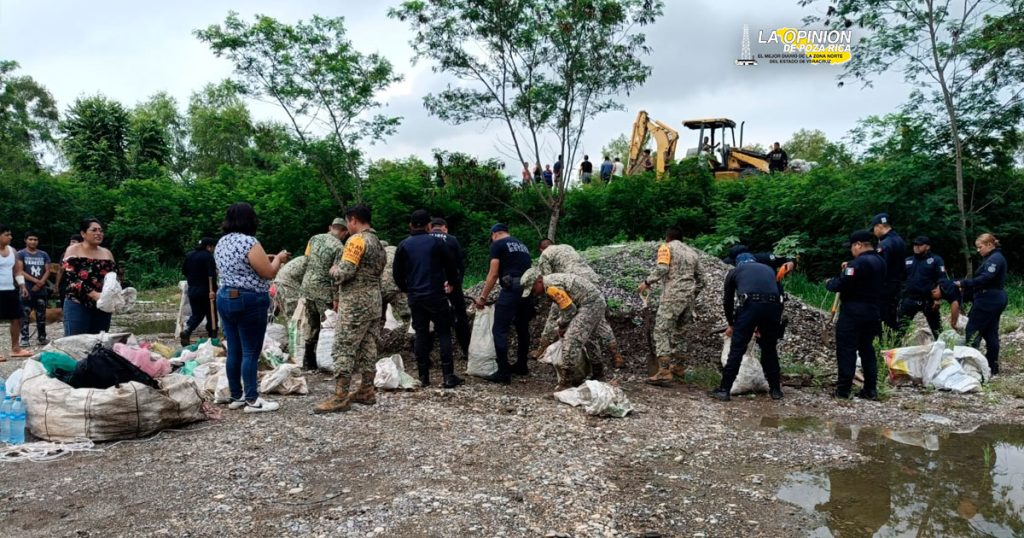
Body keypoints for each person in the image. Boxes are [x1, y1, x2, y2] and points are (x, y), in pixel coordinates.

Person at [214, 203, 289, 412]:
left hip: (225, 296)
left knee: (234, 350)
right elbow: (269, 273)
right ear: (250, 220)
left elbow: (240, 268)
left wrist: (267, 260)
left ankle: (236, 396)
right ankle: (252, 400)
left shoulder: (221, 242)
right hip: (249, 299)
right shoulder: (249, 242)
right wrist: (279, 259)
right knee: (250, 351)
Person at [315, 204, 386, 414]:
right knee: (368, 345)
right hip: (374, 301)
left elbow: (344, 272)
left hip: (355, 303)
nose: (348, 226)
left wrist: (333, 270)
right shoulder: (377, 242)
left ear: (353, 219)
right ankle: (366, 390)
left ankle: (340, 396)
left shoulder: (356, 240)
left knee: (343, 346)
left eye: (348, 222)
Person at [394, 210, 462, 388]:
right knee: (444, 332)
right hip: (436, 295)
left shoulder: (403, 245)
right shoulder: (437, 243)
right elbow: (452, 267)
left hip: (416, 297)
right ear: (429, 226)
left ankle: (423, 376)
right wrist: (452, 283)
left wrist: (407, 289)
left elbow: (397, 274)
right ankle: (448, 376)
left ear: (411, 225)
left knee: (421, 333)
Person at [534, 239, 624, 369]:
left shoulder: (545, 255)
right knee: (599, 320)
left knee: (554, 316)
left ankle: (541, 349)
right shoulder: (566, 246)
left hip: (573, 282)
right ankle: (616, 355)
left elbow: (546, 280)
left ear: (541, 249)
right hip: (591, 279)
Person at [709, 253, 785, 401]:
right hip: (773, 307)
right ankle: (776, 390)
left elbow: (728, 301)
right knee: (769, 348)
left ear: (737, 263)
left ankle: (724, 390)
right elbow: (781, 295)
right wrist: (773, 318)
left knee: (737, 349)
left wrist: (731, 323)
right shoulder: (769, 269)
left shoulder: (735, 271)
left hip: (750, 306)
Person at [637, 227, 705, 385]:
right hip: (688, 299)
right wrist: (692, 294)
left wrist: (647, 282)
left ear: (667, 237)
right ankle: (679, 367)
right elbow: (703, 280)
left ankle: (664, 371)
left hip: (671, 298)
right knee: (680, 333)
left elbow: (662, 268)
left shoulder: (666, 247)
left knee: (661, 331)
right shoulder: (692, 253)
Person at [521, 268, 607, 390]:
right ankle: (598, 374)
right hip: (594, 302)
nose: (534, 294)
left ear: (539, 281)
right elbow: (565, 307)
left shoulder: (551, 288)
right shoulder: (552, 282)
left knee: (571, 340)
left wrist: (562, 325)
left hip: (590, 304)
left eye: (533, 289)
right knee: (589, 338)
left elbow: (570, 310)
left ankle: (566, 382)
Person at [826, 230, 886, 400]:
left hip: (853, 312)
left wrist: (830, 282)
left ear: (859, 245)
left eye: (852, 246)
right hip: (873, 310)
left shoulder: (857, 263)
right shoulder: (881, 261)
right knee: (867, 350)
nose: (851, 250)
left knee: (847, 350)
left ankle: (843, 390)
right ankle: (870, 389)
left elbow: (841, 284)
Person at [474, 223, 534, 384]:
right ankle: (522, 365)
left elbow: (493, 274)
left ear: (494, 234)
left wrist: (482, 297)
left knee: (499, 329)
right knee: (522, 327)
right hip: (527, 289)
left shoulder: (497, 244)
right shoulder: (522, 245)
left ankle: (503, 372)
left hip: (511, 287)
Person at [955, 233, 1008, 375]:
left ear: (989, 245)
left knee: (972, 330)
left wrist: (964, 283)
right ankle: (992, 365)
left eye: (980, 247)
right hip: (992, 298)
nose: (978, 250)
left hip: (989, 299)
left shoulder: (995, 259)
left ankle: (970, 365)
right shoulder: (991, 258)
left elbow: (986, 278)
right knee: (990, 331)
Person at [300, 219, 348, 371]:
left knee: (311, 323)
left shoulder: (314, 238)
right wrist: (336, 298)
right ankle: (325, 359)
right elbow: (334, 274)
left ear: (330, 227)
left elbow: (306, 260)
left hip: (307, 286)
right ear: (344, 232)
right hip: (323, 291)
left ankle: (308, 359)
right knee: (327, 324)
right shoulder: (339, 247)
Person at [62, 218, 117, 336]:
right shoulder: (73, 250)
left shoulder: (107, 253)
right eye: (94, 230)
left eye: (101, 231)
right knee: (75, 341)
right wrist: (94, 294)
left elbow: (114, 278)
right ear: (83, 233)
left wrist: (117, 296)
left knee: (99, 341)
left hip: (102, 305)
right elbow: (71, 278)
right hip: (77, 303)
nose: (98, 233)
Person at [431, 217, 470, 356]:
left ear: (431, 227)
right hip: (452, 284)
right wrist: (457, 283)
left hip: (431, 286)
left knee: (430, 318)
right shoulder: (452, 240)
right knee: (460, 316)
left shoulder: (425, 239)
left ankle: (428, 354)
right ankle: (466, 349)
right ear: (444, 228)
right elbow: (460, 264)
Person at [898, 236, 947, 338]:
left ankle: (943, 346)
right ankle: (894, 347)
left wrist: (938, 298)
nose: (916, 247)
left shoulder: (936, 260)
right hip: (910, 299)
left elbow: (942, 279)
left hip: (928, 299)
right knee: (900, 328)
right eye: (915, 245)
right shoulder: (908, 260)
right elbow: (901, 279)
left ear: (927, 246)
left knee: (937, 329)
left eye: (920, 245)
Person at [0, 225, 31, 361]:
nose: (10, 237)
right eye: (7, 235)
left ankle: (16, 348)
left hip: (10, 289)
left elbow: (17, 270)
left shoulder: (13, 251)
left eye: (10, 234)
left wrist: (22, 285)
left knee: (16, 318)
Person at [871, 213, 906, 332]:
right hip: (897, 285)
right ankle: (893, 339)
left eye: (874, 228)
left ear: (879, 226)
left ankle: (886, 341)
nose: (874, 232)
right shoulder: (899, 240)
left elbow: (879, 266)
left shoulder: (885, 244)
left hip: (886, 286)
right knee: (892, 316)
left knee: (884, 317)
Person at [179, 237, 218, 346]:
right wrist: (213, 289)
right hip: (206, 290)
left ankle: (187, 330)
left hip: (192, 289)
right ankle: (212, 336)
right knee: (211, 314)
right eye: (213, 247)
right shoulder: (208, 256)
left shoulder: (189, 255)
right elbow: (212, 275)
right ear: (208, 246)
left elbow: (184, 271)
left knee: (197, 314)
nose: (213, 250)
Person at [17, 230, 51, 347]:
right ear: (25, 240)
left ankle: (42, 337)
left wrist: (41, 283)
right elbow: (20, 270)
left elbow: (48, 270)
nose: (33, 241)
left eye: (35, 239)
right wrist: (36, 281)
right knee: (25, 315)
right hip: (26, 289)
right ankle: (24, 339)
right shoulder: (21, 254)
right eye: (30, 239)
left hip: (41, 290)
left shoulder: (43, 254)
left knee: (41, 315)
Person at [381, 243, 412, 333]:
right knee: (408, 316)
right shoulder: (396, 250)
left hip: (379, 290)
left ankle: (378, 337)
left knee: (379, 319)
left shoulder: (376, 253)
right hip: (396, 289)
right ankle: (409, 335)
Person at [272, 255, 307, 319]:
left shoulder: (308, 260)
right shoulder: (316, 264)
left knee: (295, 314)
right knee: (296, 316)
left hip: (281, 281)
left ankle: (277, 305)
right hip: (286, 283)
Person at [57, 233, 83, 305]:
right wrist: (56, 285)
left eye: (74, 242)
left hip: (79, 284)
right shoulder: (65, 254)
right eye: (71, 242)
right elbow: (60, 270)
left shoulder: (84, 255)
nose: (71, 244)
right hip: (65, 283)